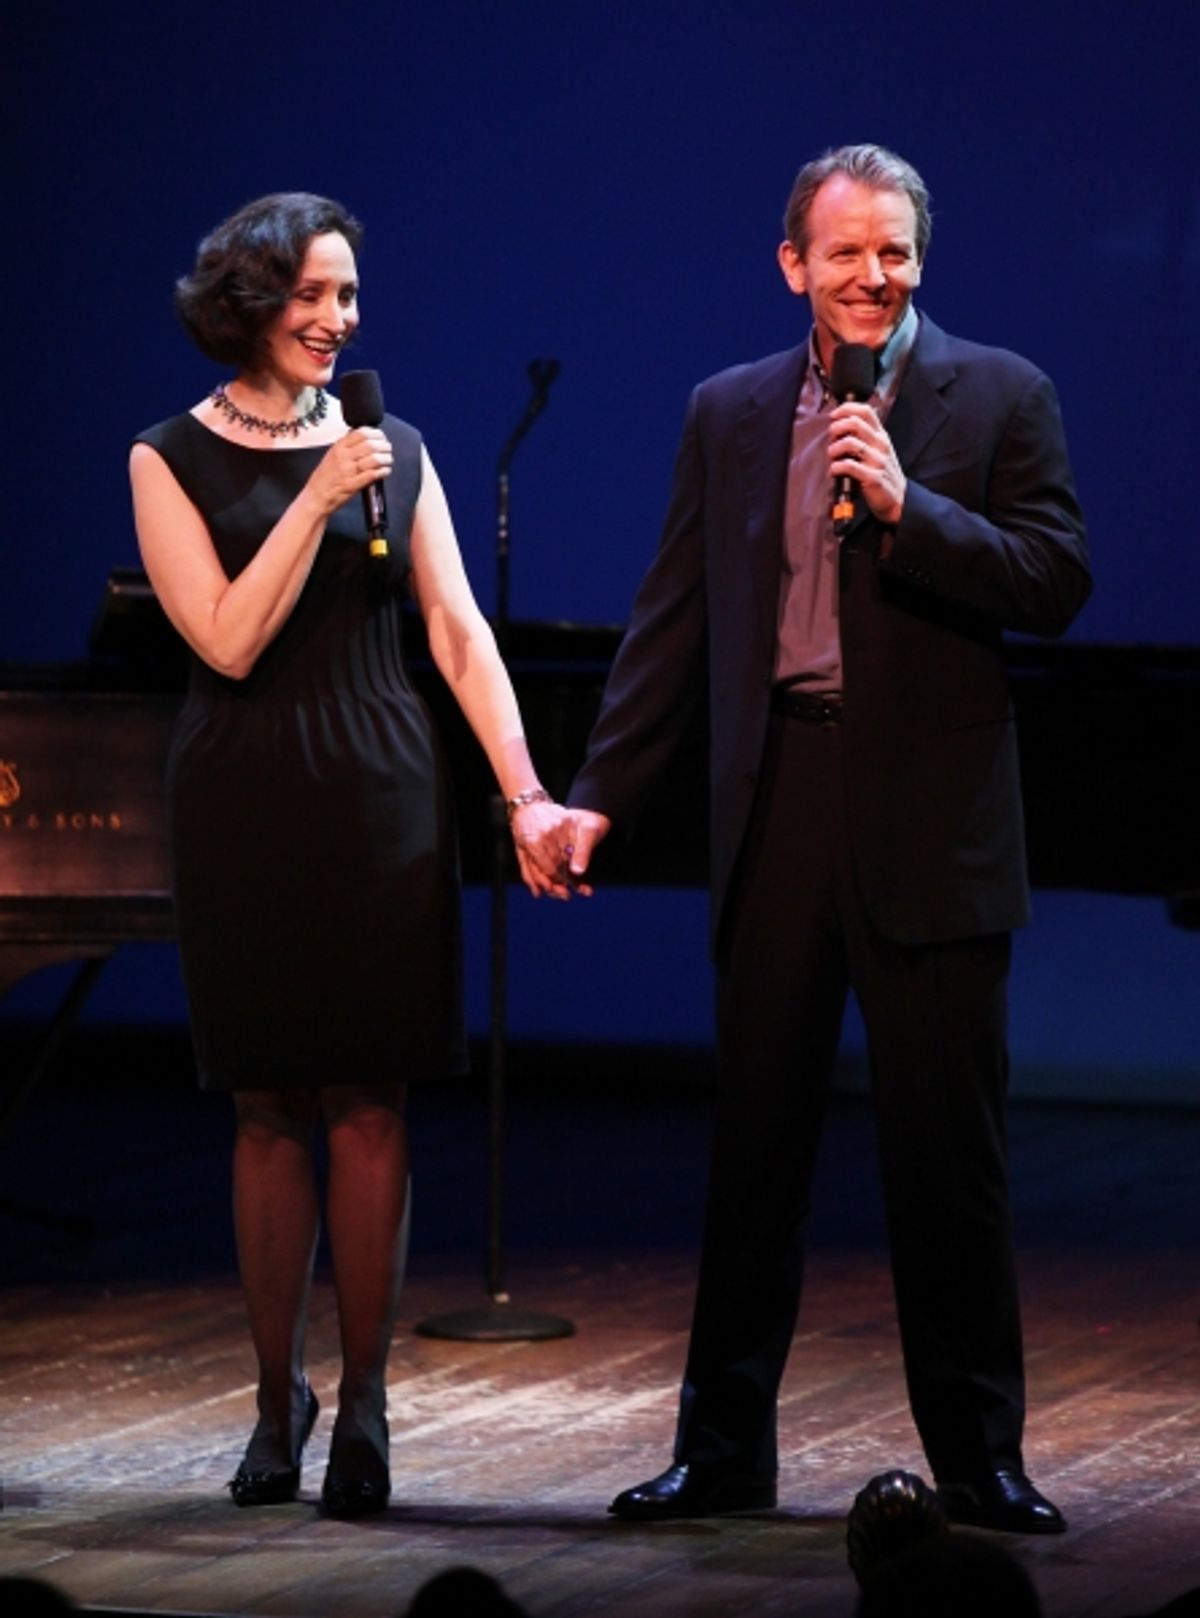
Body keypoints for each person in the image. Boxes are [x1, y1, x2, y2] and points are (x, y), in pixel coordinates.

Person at [543, 145, 1091, 1531]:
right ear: (793, 263)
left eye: (895, 251)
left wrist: (915, 508)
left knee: (946, 1160)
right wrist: (600, 786)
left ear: (921, 258)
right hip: (778, 797)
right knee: (756, 1152)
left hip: (932, 819)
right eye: (846, 253)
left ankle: (982, 1458)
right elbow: (674, 616)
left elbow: (1056, 578)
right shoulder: (729, 411)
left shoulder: (1001, 393)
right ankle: (722, 1452)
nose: (874, 276)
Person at [130, 192, 570, 1519]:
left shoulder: (401, 449)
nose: (339, 320)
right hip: (245, 793)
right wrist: (316, 491)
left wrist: (524, 788)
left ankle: (365, 1402)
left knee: (372, 1099)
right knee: (267, 1105)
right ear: (250, 303)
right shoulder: (166, 456)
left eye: (350, 297)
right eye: (314, 295)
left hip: (381, 792)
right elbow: (221, 638)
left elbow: (456, 630)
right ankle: (279, 1399)